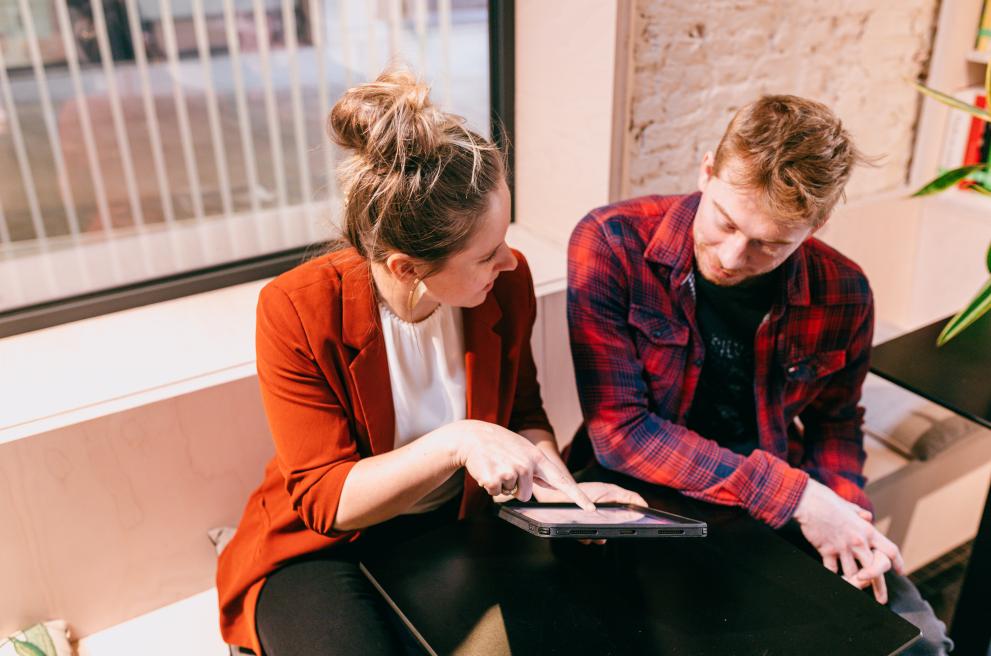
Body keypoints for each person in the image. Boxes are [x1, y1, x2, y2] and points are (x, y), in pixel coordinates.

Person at [216, 69, 644, 656]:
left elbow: (523, 413)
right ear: (406, 268)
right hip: (322, 545)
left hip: (460, 525)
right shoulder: (296, 309)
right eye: (487, 254)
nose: (512, 265)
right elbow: (324, 499)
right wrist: (457, 441)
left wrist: (567, 497)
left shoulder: (504, 290)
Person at [567, 95, 953, 655]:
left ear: (816, 224)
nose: (731, 255)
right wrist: (802, 500)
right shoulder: (611, 242)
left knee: (920, 643)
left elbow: (836, 422)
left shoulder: (845, 290)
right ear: (706, 170)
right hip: (641, 492)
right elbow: (622, 433)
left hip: (777, 494)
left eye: (770, 244)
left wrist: (848, 517)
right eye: (723, 221)